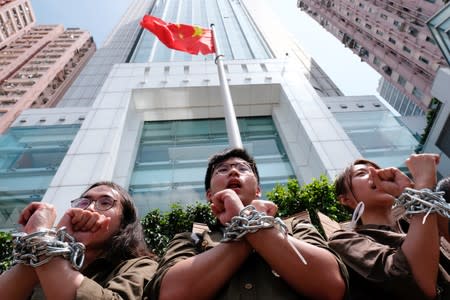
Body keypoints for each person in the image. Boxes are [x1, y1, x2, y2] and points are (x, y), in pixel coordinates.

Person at [148, 148, 348, 300]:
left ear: (258, 190)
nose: (234, 171)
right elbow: (171, 293)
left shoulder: (295, 225)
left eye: (243, 168)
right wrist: (249, 227)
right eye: (222, 170)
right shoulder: (193, 237)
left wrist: (246, 221)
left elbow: (331, 284)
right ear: (210, 195)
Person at [0, 181, 157, 299]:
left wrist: (42, 237)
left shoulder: (141, 266)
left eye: (105, 203)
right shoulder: (41, 257)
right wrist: (47, 240)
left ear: (123, 223)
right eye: (83, 202)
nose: (89, 209)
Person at [328, 154, 450, 300]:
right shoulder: (344, 239)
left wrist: (410, 191)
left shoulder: (412, 220)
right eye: (361, 173)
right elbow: (417, 284)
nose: (376, 175)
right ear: (346, 199)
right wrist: (423, 184)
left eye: (377, 170)